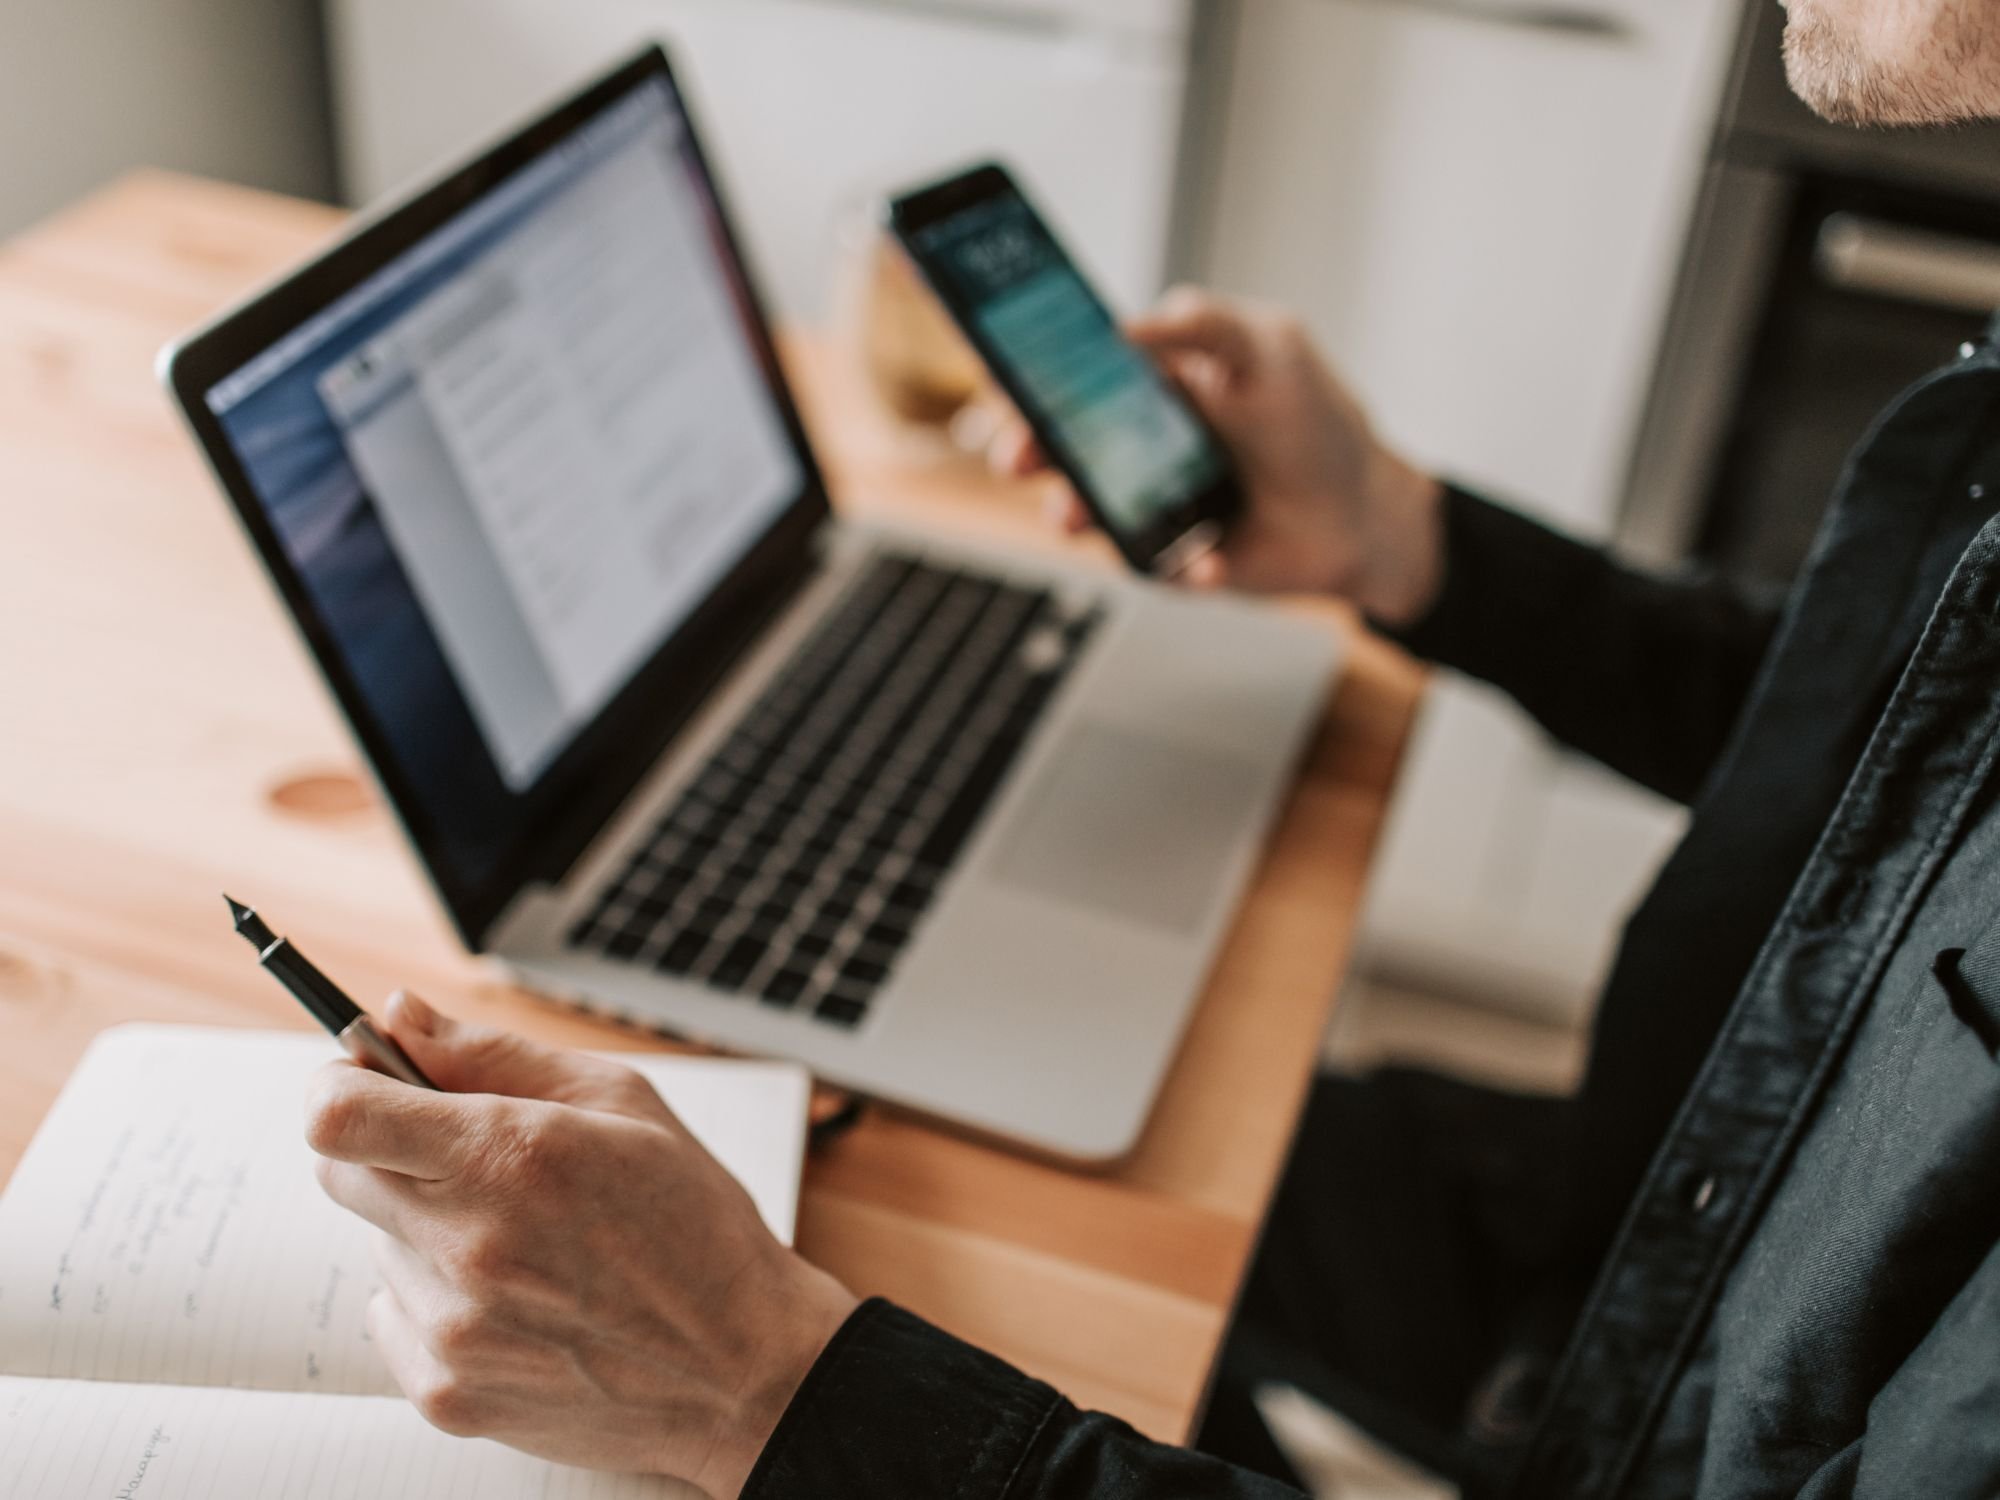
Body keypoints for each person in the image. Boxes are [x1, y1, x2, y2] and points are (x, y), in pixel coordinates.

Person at [302, 2, 2000, 1496]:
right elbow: (1896, 745)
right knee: (1098, 1189)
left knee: (992, 1262)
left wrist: (766, 1390)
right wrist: (1410, 544)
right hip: (1647, 1207)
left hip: (1661, 1404)